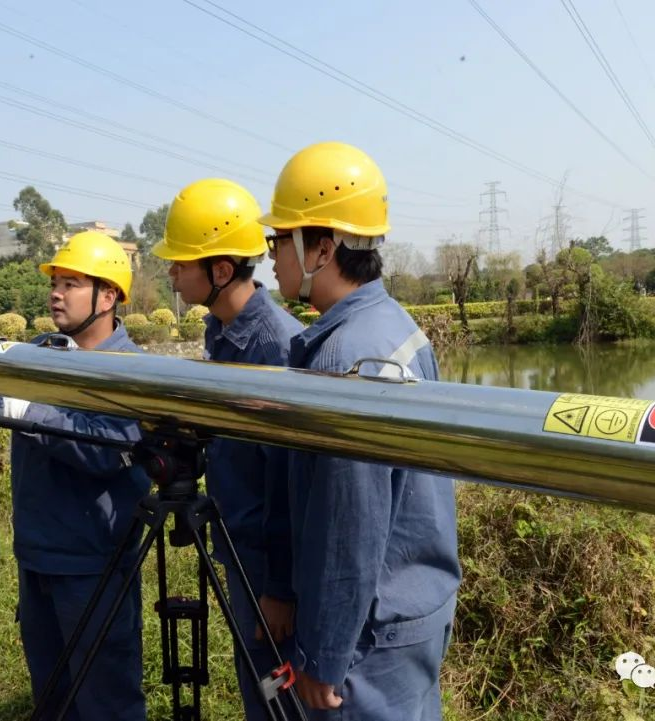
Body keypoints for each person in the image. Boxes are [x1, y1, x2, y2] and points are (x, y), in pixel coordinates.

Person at [0, 231, 148, 721]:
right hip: (37, 552)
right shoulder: (43, 351)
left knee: (105, 697)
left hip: (93, 561)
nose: (56, 293)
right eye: (54, 282)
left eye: (71, 283)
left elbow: (107, 452)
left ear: (108, 296)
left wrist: (20, 407)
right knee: (52, 694)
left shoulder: (131, 369)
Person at [259, 142, 462, 720]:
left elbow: (349, 526)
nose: (271, 256)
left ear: (322, 248)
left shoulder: (347, 358)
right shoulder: (395, 326)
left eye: (281, 239)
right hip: (413, 606)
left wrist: (325, 655)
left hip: (371, 636)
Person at [151, 178, 302, 720]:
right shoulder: (222, 330)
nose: (171, 273)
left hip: (266, 559)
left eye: (179, 264)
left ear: (220, 271)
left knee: (275, 689)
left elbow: (290, 478)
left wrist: (280, 586)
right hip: (237, 541)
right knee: (253, 676)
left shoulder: (273, 346)